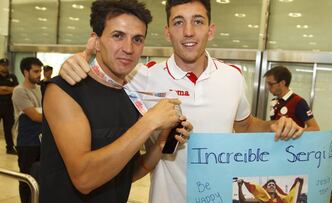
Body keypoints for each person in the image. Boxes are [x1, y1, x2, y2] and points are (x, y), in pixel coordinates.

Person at [59, 0, 304, 202]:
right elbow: (104, 70)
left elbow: (245, 125)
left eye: (197, 21)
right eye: (178, 22)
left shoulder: (232, 76)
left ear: (211, 29)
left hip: (221, 196)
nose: (188, 32)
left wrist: (276, 126)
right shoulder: (141, 76)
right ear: (167, 32)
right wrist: (76, 61)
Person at [39, 0, 192, 203]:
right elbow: (84, 179)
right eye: (118, 36)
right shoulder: (64, 90)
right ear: (95, 41)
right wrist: (149, 123)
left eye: (137, 39)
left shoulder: (129, 96)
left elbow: (127, 174)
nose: (128, 48)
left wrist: (160, 143)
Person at [12, 57, 43, 203]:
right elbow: (35, 116)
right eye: (36, 71)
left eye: (40, 71)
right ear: (26, 72)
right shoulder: (19, 91)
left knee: (40, 176)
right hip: (26, 142)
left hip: (41, 140)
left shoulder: (40, 89)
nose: (39, 74)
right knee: (26, 178)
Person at [264, 66, 320, 131]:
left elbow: (315, 128)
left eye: (271, 84)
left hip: (292, 140)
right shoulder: (275, 101)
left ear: (282, 83)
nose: (268, 87)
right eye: (267, 84)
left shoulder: (299, 102)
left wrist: (294, 132)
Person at [0, 58, 18, 155]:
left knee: (8, 129)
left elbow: (16, 89)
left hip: (8, 107)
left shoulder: (12, 76)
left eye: (6, 65)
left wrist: (4, 88)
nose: (5, 67)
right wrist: (9, 89)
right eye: (3, 65)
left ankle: (10, 148)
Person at [236, 178, 304, 203]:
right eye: (269, 185)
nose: (271, 185)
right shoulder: (261, 200)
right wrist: (240, 187)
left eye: (273, 185)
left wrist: (299, 185)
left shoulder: (282, 199)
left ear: (275, 188)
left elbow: (294, 199)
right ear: (266, 188)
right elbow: (243, 201)